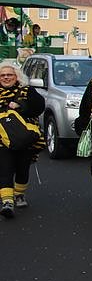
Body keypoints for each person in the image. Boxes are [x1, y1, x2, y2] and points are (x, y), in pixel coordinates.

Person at [0, 64, 45, 218]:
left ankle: (19, 195)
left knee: (22, 168)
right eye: (2, 75)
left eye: (9, 75)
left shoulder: (27, 91)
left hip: (24, 138)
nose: (6, 77)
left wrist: (20, 106)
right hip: (2, 139)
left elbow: (39, 107)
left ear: (16, 76)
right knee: (4, 169)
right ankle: (7, 202)